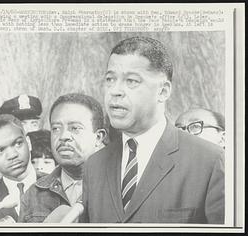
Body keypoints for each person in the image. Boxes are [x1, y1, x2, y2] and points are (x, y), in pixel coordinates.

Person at [81, 37, 224, 224]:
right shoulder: (94, 165)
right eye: (110, 79)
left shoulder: (209, 161)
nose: (115, 91)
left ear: (163, 91)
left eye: (131, 81)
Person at [18, 93, 106, 223]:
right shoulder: (34, 195)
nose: (63, 136)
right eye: (56, 128)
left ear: (98, 137)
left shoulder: (119, 187)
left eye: (75, 128)